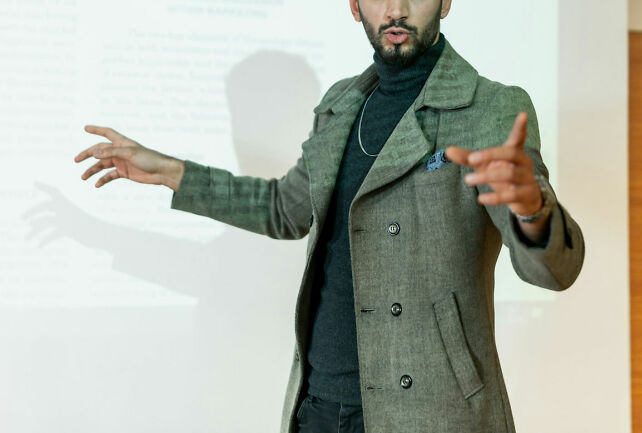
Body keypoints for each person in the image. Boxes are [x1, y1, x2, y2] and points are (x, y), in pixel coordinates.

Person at [74, 0, 585, 432]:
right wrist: (169, 171)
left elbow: (555, 270)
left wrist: (532, 209)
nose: (397, 10)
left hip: (432, 410)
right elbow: (284, 209)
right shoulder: (339, 105)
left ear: (447, 1)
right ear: (354, 5)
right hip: (317, 406)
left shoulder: (490, 107)